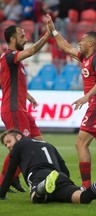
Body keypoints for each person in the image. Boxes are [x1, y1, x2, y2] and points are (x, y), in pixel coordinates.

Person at [45, 14, 96, 189]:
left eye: (83, 40)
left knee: (80, 143)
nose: (80, 42)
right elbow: (66, 47)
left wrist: (86, 96)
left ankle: (85, 186)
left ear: (91, 43)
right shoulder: (85, 57)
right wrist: (53, 30)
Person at [0, 21, 51, 192]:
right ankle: (3, 183)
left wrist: (28, 96)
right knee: (21, 146)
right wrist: (47, 35)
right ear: (13, 39)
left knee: (38, 142)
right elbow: (33, 50)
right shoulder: (10, 56)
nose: (26, 38)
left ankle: (15, 178)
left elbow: (9, 84)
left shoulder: (13, 61)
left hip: (21, 108)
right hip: (14, 109)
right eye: (22, 36)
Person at [0, 129, 96, 204]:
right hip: (59, 176)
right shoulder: (48, 144)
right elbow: (64, 169)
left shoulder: (18, 145)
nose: (8, 146)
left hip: (38, 175)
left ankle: (42, 187)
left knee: (36, 199)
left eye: (9, 141)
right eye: (5, 145)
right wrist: (66, 183)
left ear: (18, 137)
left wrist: (2, 194)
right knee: (83, 198)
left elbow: (10, 172)